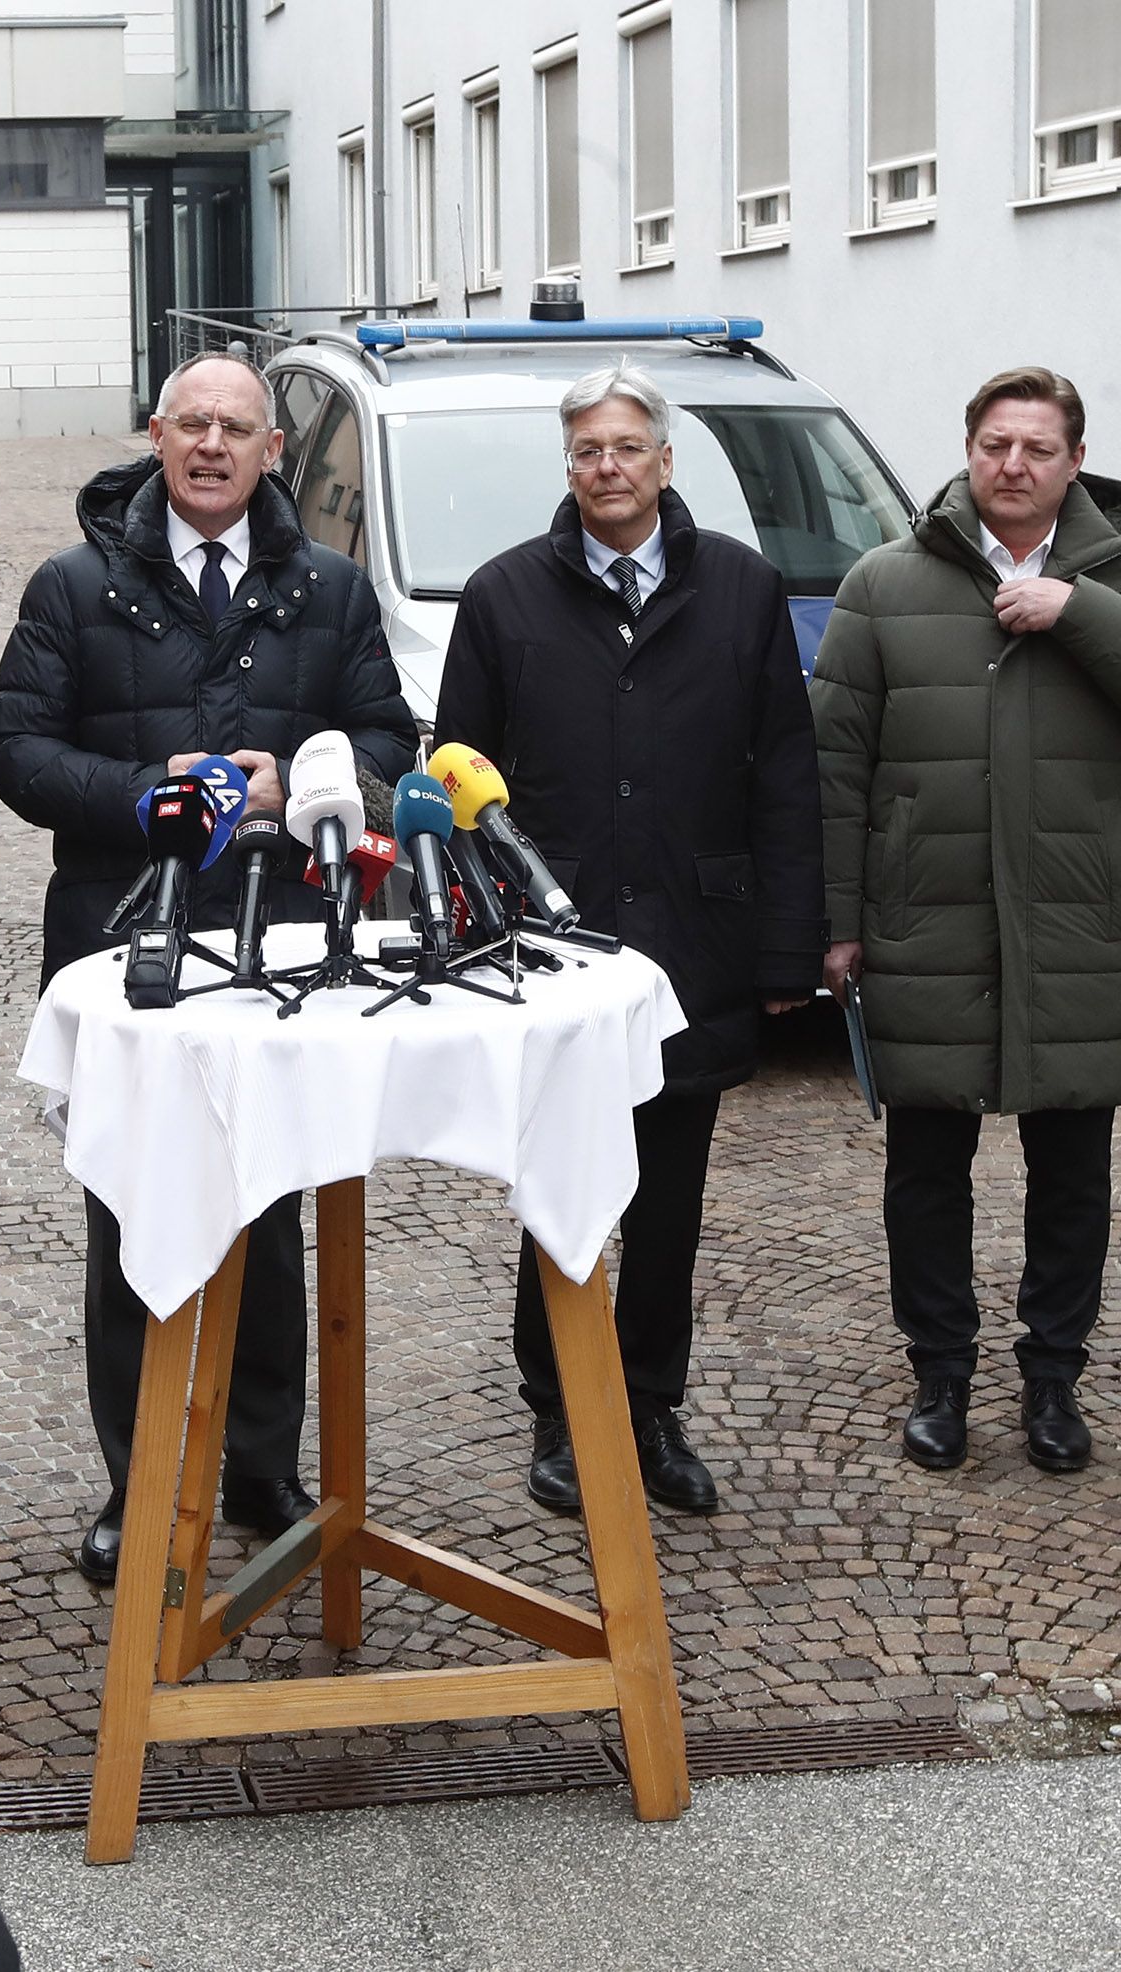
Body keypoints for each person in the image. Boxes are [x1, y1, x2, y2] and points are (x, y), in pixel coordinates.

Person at [0, 351, 416, 1586]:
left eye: (237, 428)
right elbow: (13, 749)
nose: (214, 445)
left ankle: (261, 1468)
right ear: (157, 436)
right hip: (127, 936)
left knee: (269, 1210)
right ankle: (139, 1480)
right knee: (130, 1208)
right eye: (193, 424)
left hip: (281, 940)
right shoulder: (74, 584)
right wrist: (142, 792)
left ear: (273, 451)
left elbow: (389, 739)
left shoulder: (329, 587)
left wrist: (309, 778)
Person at [813, 365, 1121, 1474]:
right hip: (926, 917)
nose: (1013, 465)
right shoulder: (883, 582)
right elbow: (835, 766)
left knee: (1073, 1169)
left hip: (1071, 923)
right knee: (926, 1166)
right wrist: (839, 921)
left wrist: (1078, 610)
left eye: (1038, 448)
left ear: (1074, 461)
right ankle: (940, 1374)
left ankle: (1053, 1378)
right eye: (996, 444)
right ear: (968, 448)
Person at [433, 362, 823, 1517]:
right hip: (557, 947)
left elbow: (786, 773)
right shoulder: (503, 596)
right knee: (561, 1188)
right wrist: (478, 939)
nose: (608, 467)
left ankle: (650, 1403)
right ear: (569, 466)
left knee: (668, 1197)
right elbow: (458, 786)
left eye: (627, 447)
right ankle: (559, 1405)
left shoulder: (743, 589)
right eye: (588, 450)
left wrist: (789, 945)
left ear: (665, 460)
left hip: (693, 939)